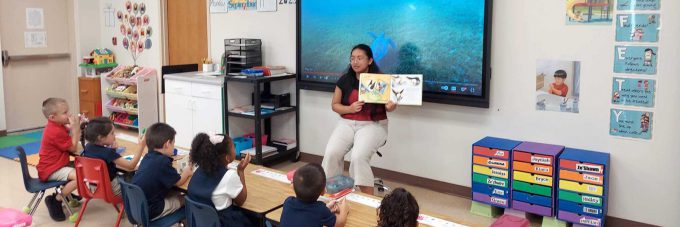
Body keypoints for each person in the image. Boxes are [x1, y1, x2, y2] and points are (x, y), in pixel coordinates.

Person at [322, 44, 396, 195]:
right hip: (347, 123)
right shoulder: (344, 80)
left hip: (373, 124)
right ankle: (333, 193)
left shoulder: (380, 80)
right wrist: (350, 109)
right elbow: (335, 105)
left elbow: (388, 107)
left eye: (360, 58)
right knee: (331, 153)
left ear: (370, 61)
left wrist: (391, 106)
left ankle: (367, 200)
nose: (355, 62)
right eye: (352, 58)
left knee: (358, 157)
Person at [187, 133, 253, 226]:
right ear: (228, 157)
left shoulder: (200, 169)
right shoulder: (229, 175)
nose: (235, 148)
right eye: (233, 147)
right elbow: (241, 201)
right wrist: (241, 171)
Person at [132, 123, 192, 220]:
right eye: (173, 144)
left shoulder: (148, 156)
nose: (173, 146)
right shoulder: (162, 162)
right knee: (186, 199)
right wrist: (187, 172)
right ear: (167, 144)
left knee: (173, 193)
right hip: (151, 210)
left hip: (136, 206)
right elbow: (179, 182)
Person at [36, 98, 82, 221]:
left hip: (57, 164)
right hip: (52, 169)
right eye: (65, 112)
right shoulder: (55, 131)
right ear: (52, 117)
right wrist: (76, 129)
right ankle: (56, 200)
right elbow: (73, 147)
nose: (69, 115)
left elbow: (68, 134)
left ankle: (66, 193)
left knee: (82, 165)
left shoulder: (57, 125)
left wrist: (75, 126)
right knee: (81, 177)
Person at [80, 117, 145, 196]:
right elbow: (131, 165)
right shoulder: (108, 153)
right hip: (112, 189)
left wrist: (113, 149)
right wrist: (141, 146)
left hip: (94, 188)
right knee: (142, 175)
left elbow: (104, 158)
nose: (115, 136)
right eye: (112, 133)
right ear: (100, 138)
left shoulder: (88, 146)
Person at [280, 164, 349, 227]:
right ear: (323, 191)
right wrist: (344, 209)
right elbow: (339, 224)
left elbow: (306, 216)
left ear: (293, 187)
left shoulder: (288, 202)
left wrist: (327, 209)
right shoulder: (320, 210)